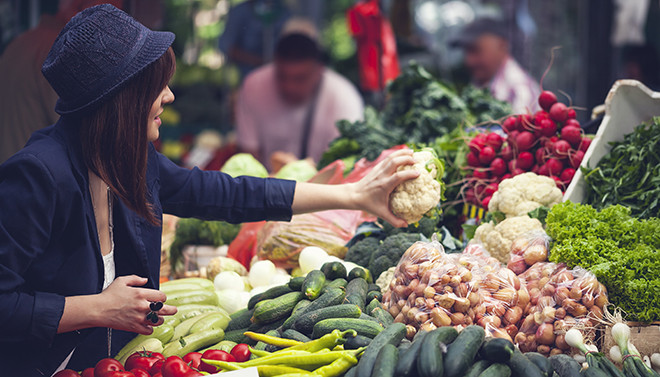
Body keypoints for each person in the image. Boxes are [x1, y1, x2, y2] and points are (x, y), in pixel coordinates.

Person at [0, 5, 418, 375]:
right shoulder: (38, 176)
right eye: (156, 85)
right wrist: (96, 308)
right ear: (121, 99)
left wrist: (354, 195)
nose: (169, 96)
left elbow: (230, 194)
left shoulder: (130, 161)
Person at [0, 0, 124, 164]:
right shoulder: (64, 52)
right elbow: (82, 136)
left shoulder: (20, 43)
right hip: (38, 179)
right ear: (79, 8)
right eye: (109, 20)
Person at [236, 29, 364, 171]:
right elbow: (248, 157)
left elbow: (347, 165)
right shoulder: (254, 86)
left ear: (319, 70)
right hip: (266, 187)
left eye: (300, 79)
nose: (289, 87)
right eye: (282, 76)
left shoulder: (344, 98)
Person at [450, 18, 540, 113]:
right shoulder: (480, 84)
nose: (469, 61)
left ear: (502, 45)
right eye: (466, 52)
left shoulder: (520, 92)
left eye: (475, 50)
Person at [218, 0, 291, 79]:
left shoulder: (284, 10)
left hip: (280, 78)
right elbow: (226, 46)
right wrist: (259, 62)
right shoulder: (240, 12)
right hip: (249, 76)